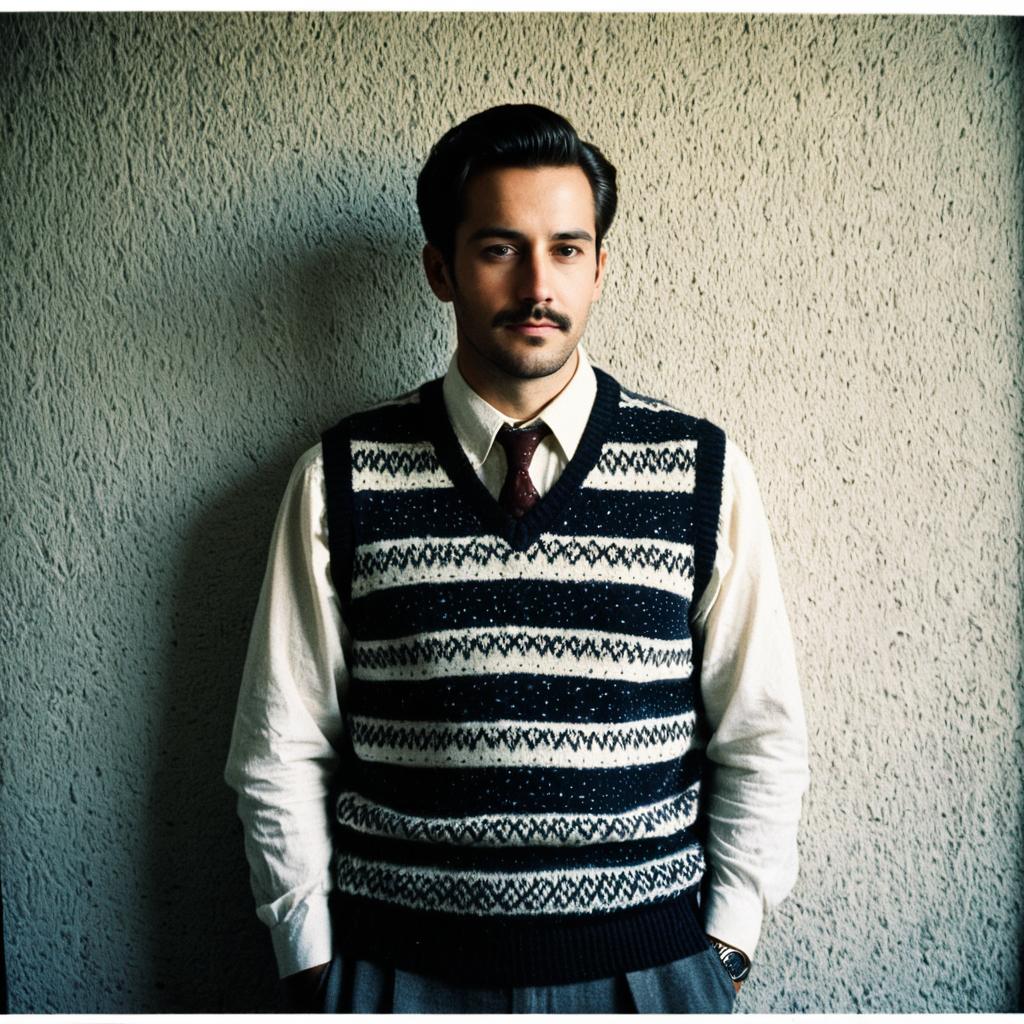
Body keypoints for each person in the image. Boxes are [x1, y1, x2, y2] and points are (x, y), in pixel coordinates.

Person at [225, 103, 808, 1014]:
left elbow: (762, 732)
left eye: (568, 249)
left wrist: (724, 946)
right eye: (500, 248)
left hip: (645, 976)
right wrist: (310, 963)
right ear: (440, 270)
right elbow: (280, 743)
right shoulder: (338, 478)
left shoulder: (703, 472)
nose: (540, 283)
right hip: (396, 976)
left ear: (600, 267)